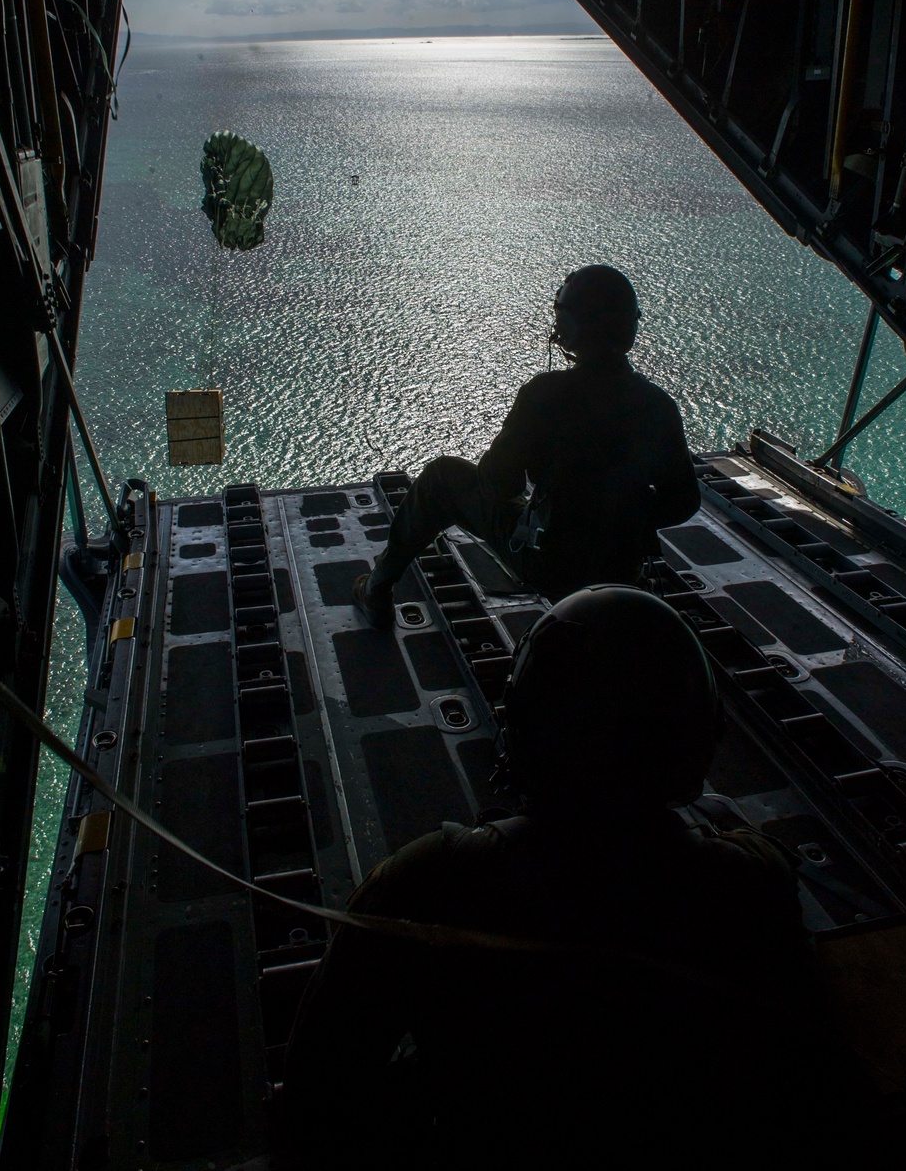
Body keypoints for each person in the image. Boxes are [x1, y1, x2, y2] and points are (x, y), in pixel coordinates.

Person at [282, 588, 867, 1170]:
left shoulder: (431, 882)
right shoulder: (753, 881)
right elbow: (813, 1080)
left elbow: (318, 1094)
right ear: (696, 746)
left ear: (528, 729)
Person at [353, 264, 700, 627]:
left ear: (570, 326)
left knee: (443, 475)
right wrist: (620, 519)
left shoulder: (545, 394)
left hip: (550, 565)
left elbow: (499, 482)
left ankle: (376, 589)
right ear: (629, 326)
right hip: (622, 572)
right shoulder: (658, 405)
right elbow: (684, 502)